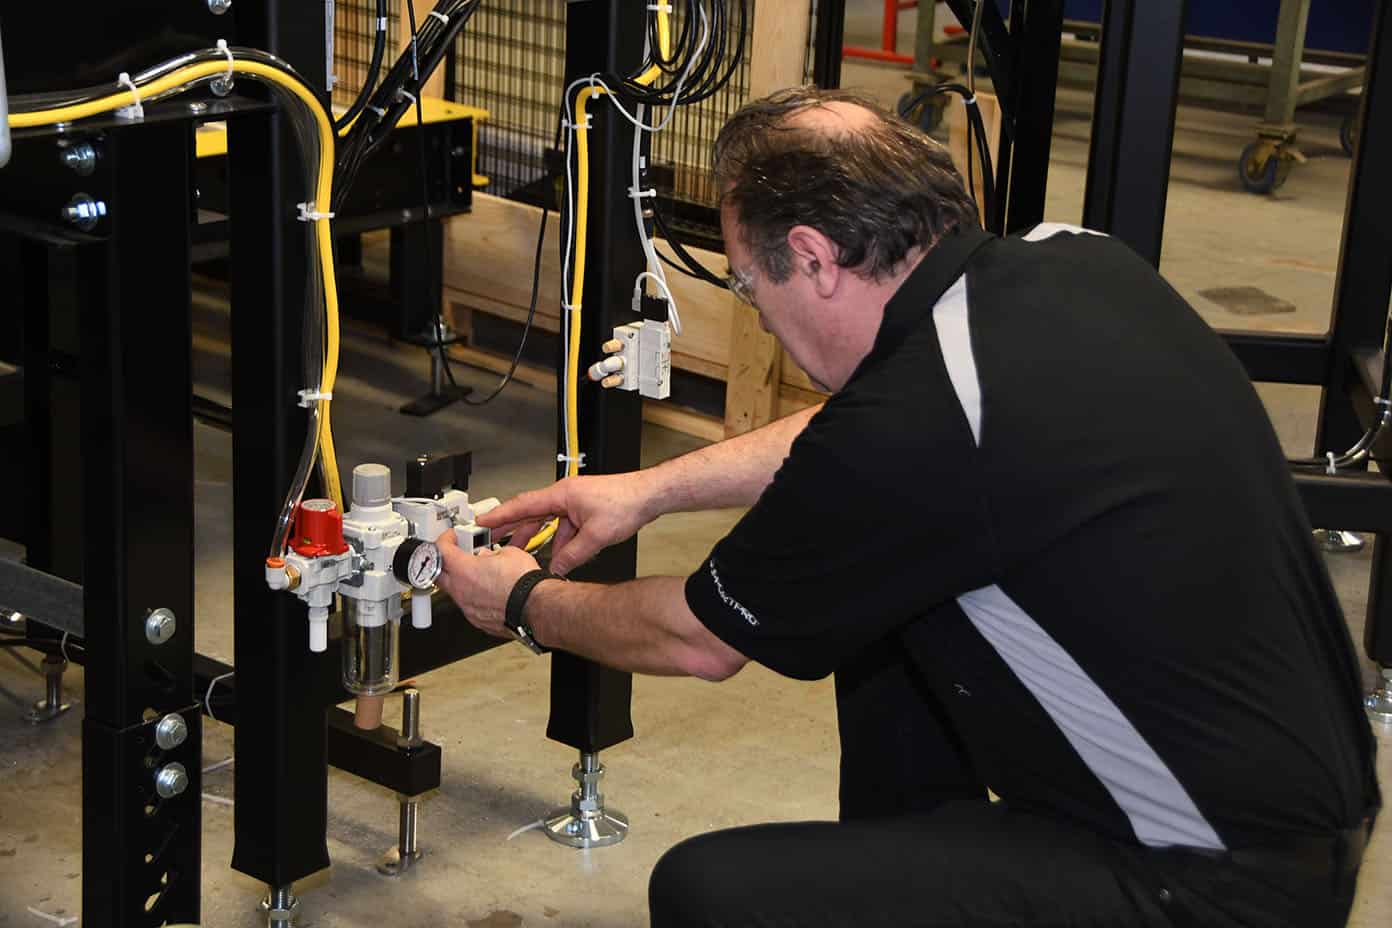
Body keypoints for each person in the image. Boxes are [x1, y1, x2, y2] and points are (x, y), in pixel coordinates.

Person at [434, 87, 1379, 927]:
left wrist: (520, 602)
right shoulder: (1073, 263)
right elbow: (871, 438)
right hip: (1299, 801)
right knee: (887, 626)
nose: (755, 310)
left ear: (813, 257)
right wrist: (646, 490)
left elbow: (699, 638)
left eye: (748, 283)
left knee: (711, 891)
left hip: (1213, 885)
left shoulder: (915, 424)